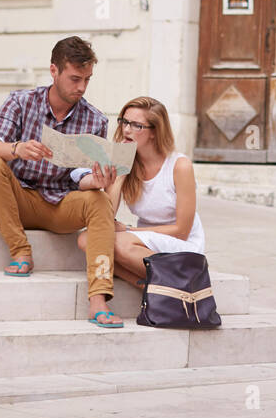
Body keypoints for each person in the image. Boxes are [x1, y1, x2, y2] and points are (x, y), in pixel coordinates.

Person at [0, 36, 125, 328]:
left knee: (99, 200)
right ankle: (20, 251)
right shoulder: (21, 102)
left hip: (60, 206)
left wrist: (95, 180)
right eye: (74, 78)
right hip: (19, 199)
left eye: (87, 79)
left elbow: (78, 176)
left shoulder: (95, 120)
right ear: (54, 71)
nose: (81, 87)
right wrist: (17, 149)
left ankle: (98, 300)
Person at [78, 96, 201, 292]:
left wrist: (129, 231)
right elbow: (106, 216)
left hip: (180, 245)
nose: (126, 130)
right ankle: (146, 285)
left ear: (154, 132)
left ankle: (180, 276)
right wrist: (119, 173)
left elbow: (182, 230)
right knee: (87, 239)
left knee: (119, 242)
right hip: (143, 244)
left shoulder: (179, 166)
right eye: (124, 122)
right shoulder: (127, 164)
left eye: (137, 125)